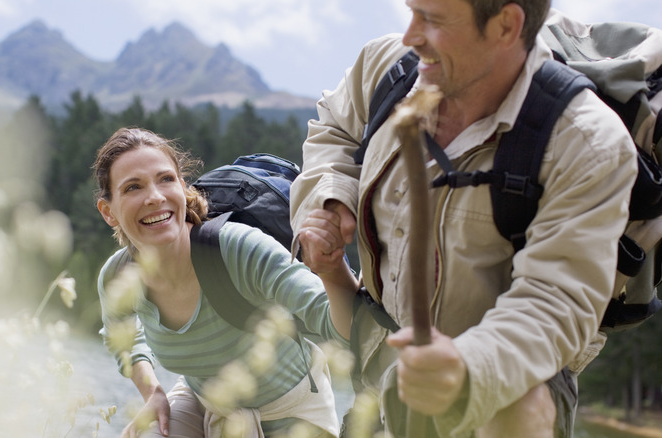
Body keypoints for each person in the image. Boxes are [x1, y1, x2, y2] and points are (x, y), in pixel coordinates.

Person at [289, 0, 638, 436]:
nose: (410, 36)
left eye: (432, 20)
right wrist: (329, 198)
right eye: (412, 12)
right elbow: (333, 129)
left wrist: (466, 370)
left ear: (506, 25)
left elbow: (555, 300)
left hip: (507, 387)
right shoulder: (389, 68)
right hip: (379, 372)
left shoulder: (587, 142)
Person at [92, 127, 359, 438]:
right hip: (203, 403)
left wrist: (332, 267)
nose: (154, 197)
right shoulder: (119, 276)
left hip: (290, 414)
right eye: (133, 187)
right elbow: (120, 335)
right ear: (108, 212)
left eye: (165, 179)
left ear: (181, 186)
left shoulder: (238, 249)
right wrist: (153, 392)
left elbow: (341, 326)